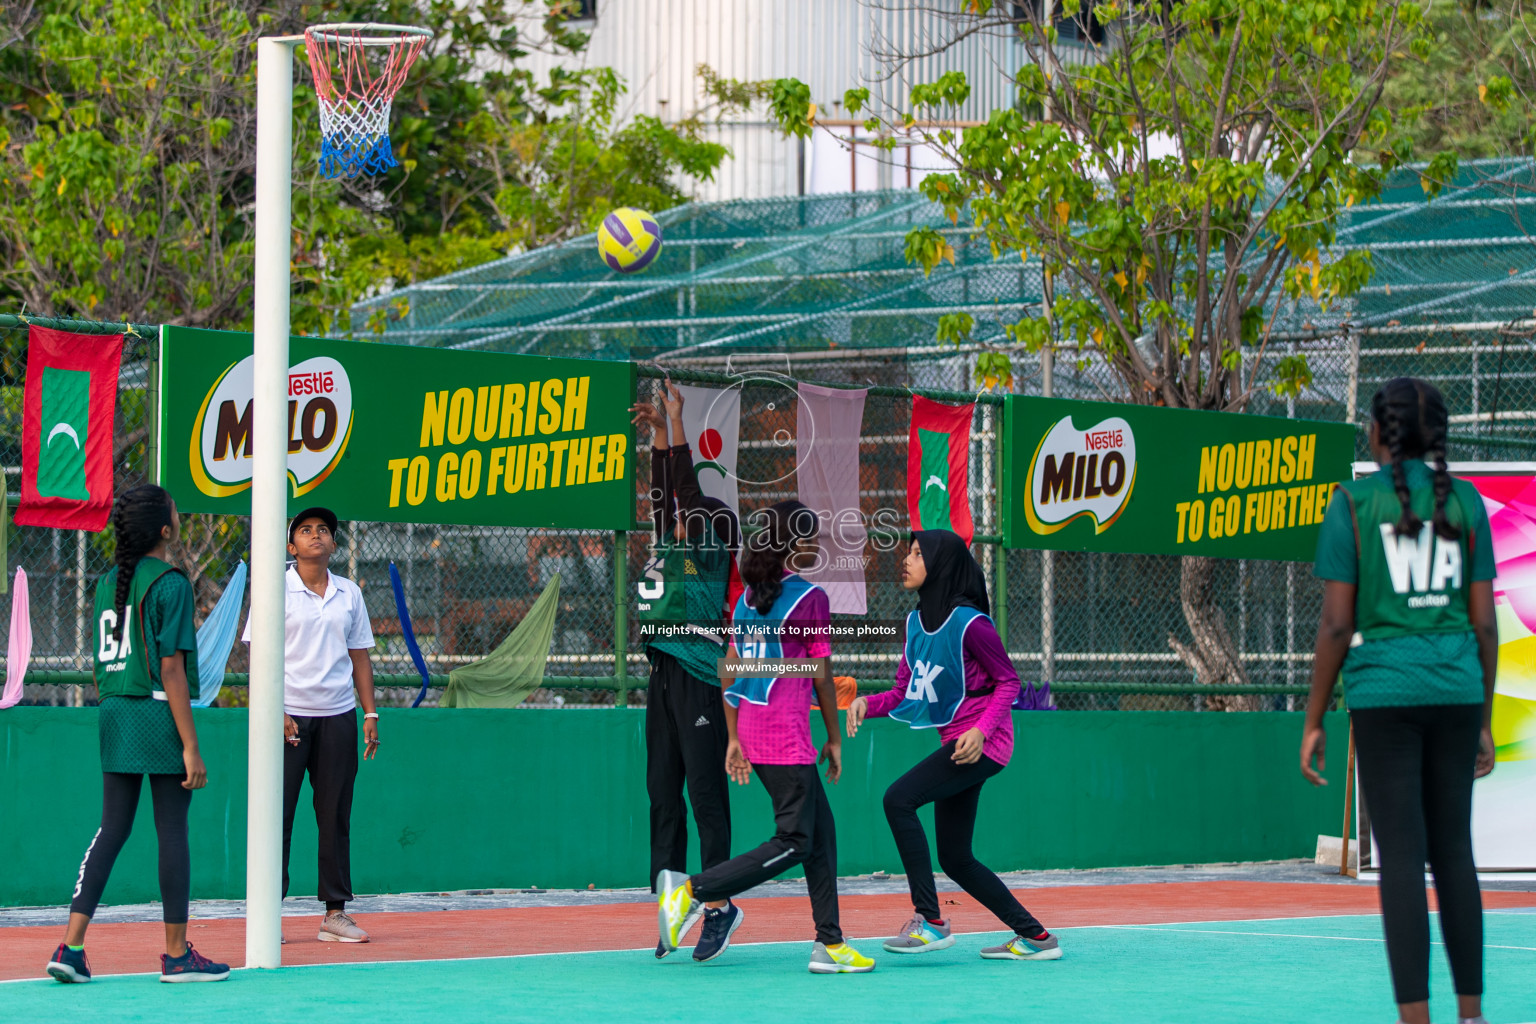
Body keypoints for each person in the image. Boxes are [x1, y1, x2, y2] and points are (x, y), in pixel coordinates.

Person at [1301, 377, 1498, 1024]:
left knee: (1403, 863)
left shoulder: (1352, 503)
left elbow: (1335, 623)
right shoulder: (1466, 503)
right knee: (1455, 855)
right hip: (1456, 688)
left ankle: (1416, 1018)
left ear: (1379, 433)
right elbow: (1484, 624)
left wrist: (1314, 717)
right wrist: (1484, 719)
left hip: (1384, 693)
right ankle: (1472, 1015)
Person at [656, 501, 875, 974]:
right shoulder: (809, 598)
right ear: (795, 544)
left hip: (754, 732)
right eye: (812, 535)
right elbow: (820, 674)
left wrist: (735, 738)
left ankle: (829, 945)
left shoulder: (748, 599)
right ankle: (693, 891)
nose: (818, 542)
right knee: (795, 840)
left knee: (822, 836)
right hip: (785, 736)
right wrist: (834, 738)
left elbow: (732, 670)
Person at [846, 529, 1059, 962]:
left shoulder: (969, 623)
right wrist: (868, 703)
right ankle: (1037, 938)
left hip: (986, 743)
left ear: (940, 565)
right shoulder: (915, 624)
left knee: (898, 799)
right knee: (957, 858)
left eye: (917, 553)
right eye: (907, 552)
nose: (906, 560)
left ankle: (931, 921)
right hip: (959, 746)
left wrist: (981, 730)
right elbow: (906, 692)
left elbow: (1008, 682)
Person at [47, 485, 230, 984]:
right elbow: (171, 670)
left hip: (114, 713)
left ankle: (71, 945)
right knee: (171, 830)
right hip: (155, 714)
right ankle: (175, 956)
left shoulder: (108, 581)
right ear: (166, 529)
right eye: (174, 508)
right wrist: (191, 744)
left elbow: (101, 666)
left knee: (112, 828)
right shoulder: (171, 583)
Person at [630, 380, 741, 960]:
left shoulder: (709, 546)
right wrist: (657, 434)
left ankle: (721, 905)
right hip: (662, 678)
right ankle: (671, 907)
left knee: (705, 797)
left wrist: (679, 423)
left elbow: (686, 495)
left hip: (700, 678)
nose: (676, 519)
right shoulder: (671, 543)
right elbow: (663, 496)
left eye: (689, 515)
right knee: (662, 798)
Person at [242, 506, 379, 944]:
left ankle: (334, 914)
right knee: (275, 817)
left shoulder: (349, 593)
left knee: (334, 815)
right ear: (290, 544)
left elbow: (359, 655)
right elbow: (256, 652)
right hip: (286, 718)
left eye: (324, 530)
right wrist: (274, 709)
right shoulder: (272, 589)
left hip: (338, 717)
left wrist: (369, 712)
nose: (316, 535)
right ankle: (268, 915)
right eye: (305, 530)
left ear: (334, 544)